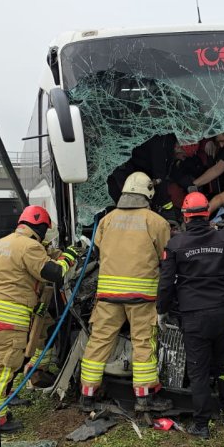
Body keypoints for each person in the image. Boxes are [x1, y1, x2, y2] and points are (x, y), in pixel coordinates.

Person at [157, 192, 224, 438]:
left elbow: (166, 283)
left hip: (193, 315)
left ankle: (201, 425)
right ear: (207, 213)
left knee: (198, 371)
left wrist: (161, 310)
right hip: (222, 312)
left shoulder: (176, 244)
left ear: (186, 217)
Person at [0, 205, 79, 432]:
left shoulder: (1, 243)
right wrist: (69, 257)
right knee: (2, 368)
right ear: (40, 228)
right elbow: (54, 273)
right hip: (8, 318)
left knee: (1, 364)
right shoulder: (30, 246)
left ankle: (2, 400)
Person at [79, 172, 172, 413]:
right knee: (143, 344)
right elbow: (166, 256)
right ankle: (144, 398)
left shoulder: (107, 220)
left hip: (108, 296)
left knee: (98, 342)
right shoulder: (157, 222)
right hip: (142, 298)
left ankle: (87, 395)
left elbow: (98, 252)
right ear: (148, 193)